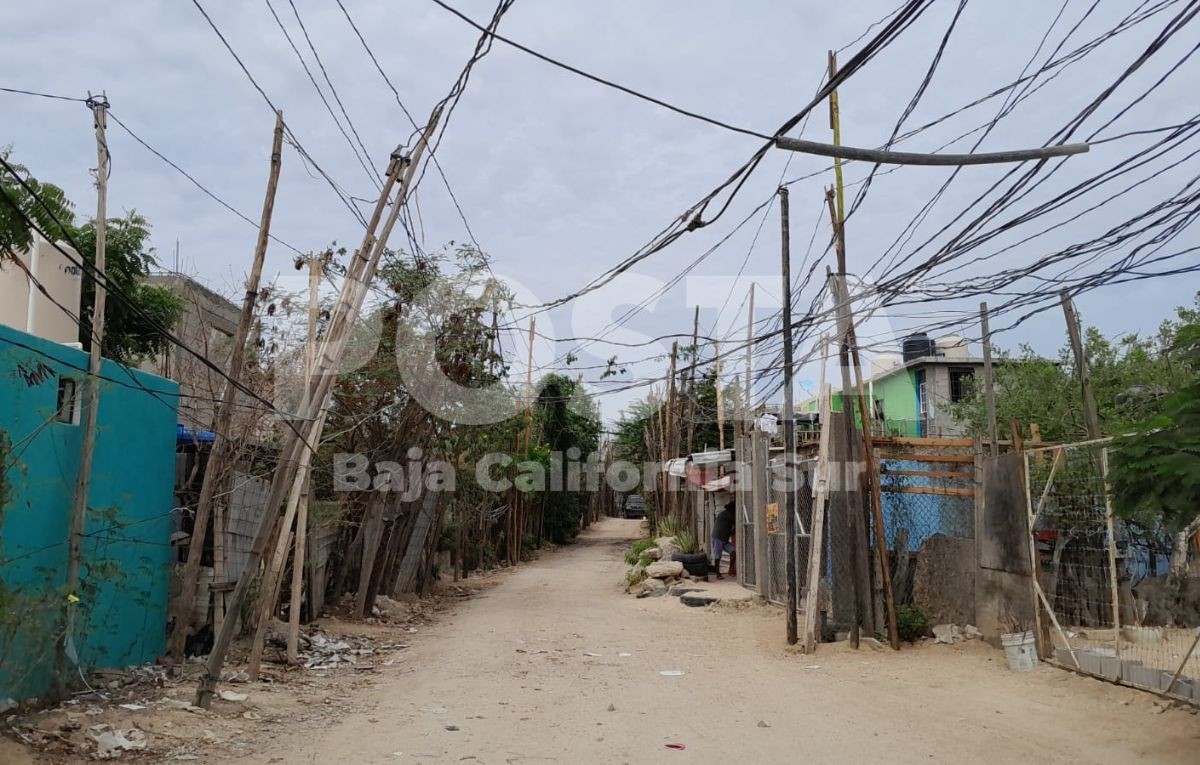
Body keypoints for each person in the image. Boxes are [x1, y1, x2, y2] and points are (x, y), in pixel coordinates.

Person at [711, 500, 736, 580]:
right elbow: (736, 522)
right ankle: (718, 574)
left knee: (733, 551)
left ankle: (731, 569)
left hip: (724, 538)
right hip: (718, 538)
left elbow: (730, 529)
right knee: (717, 556)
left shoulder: (725, 514)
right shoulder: (729, 515)